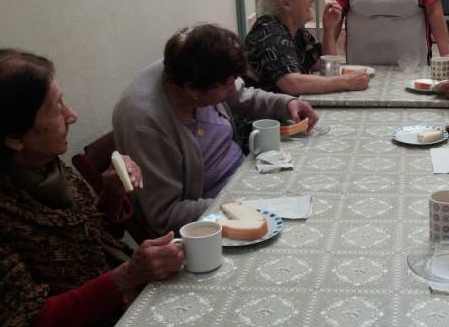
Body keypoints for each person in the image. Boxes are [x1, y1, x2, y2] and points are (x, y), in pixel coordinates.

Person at [0, 49, 183, 327]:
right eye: (57, 108)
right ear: (14, 138)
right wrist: (125, 277)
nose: (72, 115)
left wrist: (112, 193)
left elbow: (93, 237)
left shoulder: (45, 167)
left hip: (115, 313)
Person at [113, 24, 319, 237]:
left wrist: (285, 104)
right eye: (227, 85)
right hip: (214, 217)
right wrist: (240, 204)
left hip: (246, 179)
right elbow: (166, 216)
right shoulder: (145, 122)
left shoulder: (196, 70)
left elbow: (242, 96)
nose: (234, 88)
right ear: (192, 89)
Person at [244, 0, 369, 95]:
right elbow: (292, 83)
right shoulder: (270, 33)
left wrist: (329, 27)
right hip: (267, 115)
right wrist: (346, 82)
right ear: (286, 3)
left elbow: (326, 67)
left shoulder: (296, 31)